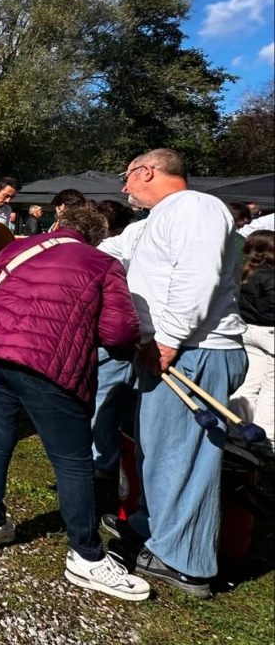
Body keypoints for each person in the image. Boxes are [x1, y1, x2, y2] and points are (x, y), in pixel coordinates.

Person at [0, 206, 148, 600]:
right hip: (46, 361)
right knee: (73, 459)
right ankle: (86, 556)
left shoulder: (17, 248)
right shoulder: (102, 263)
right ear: (95, 236)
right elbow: (118, 330)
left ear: (59, 225)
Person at [103, 148, 246, 599]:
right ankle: (154, 528)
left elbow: (196, 277)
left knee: (184, 456)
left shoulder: (194, 207)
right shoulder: (152, 222)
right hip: (173, 349)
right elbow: (110, 251)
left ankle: (183, 561)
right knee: (159, 451)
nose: (124, 188)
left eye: (127, 177)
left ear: (146, 171)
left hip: (193, 351)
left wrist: (168, 339)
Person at [89, 200, 137, 481]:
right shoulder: (129, 245)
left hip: (113, 335)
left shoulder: (109, 252)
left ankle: (103, 462)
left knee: (105, 400)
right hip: (124, 334)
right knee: (119, 400)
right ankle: (115, 458)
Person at [228, 229, 274, 450]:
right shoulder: (269, 276)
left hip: (247, 330)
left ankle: (239, 431)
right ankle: (267, 438)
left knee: (249, 383)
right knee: (270, 388)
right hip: (269, 332)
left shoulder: (242, 271)